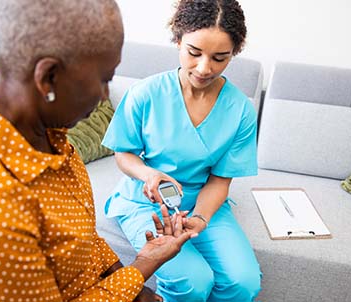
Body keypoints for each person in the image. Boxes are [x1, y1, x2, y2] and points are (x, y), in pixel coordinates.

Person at [0, 0, 193, 301]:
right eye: (104, 80)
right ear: (48, 77)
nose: (105, 95)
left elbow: (82, 240)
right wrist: (141, 268)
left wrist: (130, 284)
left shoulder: (46, 132)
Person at [102, 0, 262, 300]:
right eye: (194, 53)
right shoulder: (145, 93)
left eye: (219, 58)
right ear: (178, 41)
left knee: (244, 281)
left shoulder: (240, 109)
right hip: (146, 201)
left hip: (204, 202)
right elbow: (123, 154)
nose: (204, 68)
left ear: (234, 54)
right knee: (192, 279)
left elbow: (220, 180)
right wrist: (148, 174)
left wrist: (200, 218)